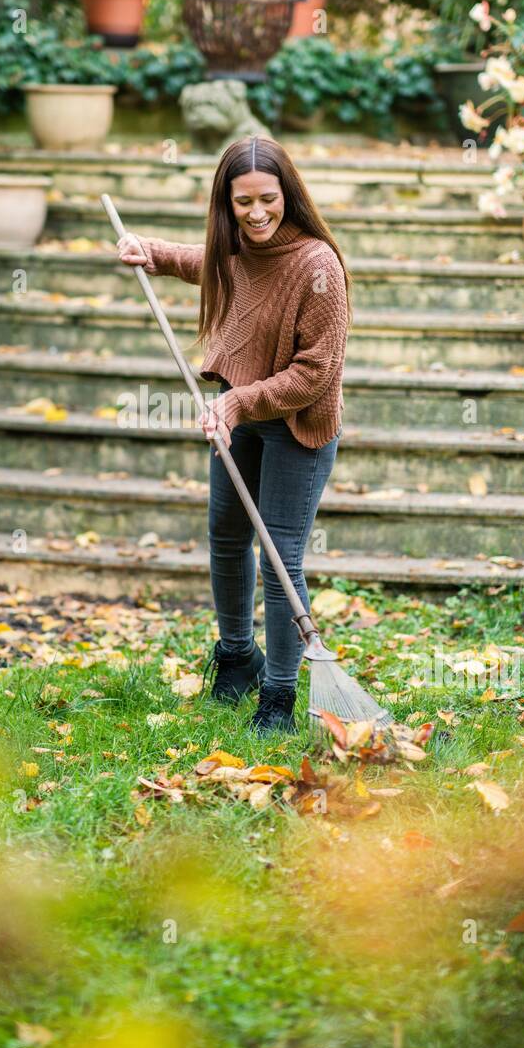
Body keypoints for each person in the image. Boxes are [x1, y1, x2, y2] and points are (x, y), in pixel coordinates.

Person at [116, 136, 350, 734]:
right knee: (225, 533)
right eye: (242, 202)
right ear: (228, 203)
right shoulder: (240, 248)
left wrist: (238, 402)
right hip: (240, 412)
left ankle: (278, 697)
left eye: (267, 200)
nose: (256, 214)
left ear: (287, 194)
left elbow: (315, 373)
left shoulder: (318, 267)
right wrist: (151, 251)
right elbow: (211, 265)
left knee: (278, 560)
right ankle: (238, 658)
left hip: (297, 425)